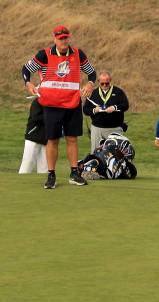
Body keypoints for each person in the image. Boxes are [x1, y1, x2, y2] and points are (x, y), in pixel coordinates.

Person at [22, 25, 96, 189]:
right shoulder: (45, 54)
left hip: (72, 103)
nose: (64, 41)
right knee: (52, 139)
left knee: (72, 139)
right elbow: (26, 69)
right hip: (51, 104)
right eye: (60, 38)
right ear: (55, 39)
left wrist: (90, 84)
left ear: (69, 38)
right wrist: (28, 84)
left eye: (66, 37)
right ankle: (51, 175)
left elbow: (92, 73)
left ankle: (74, 173)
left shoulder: (78, 53)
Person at [83, 70, 129, 153]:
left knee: (116, 155)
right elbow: (85, 110)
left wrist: (114, 108)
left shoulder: (118, 92)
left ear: (110, 81)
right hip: (97, 129)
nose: (104, 85)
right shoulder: (93, 93)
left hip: (115, 128)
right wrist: (94, 110)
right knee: (96, 154)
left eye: (107, 83)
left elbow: (125, 105)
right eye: (102, 83)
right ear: (98, 82)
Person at [19, 98, 48, 174]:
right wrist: (52, 116)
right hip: (33, 137)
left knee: (44, 169)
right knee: (26, 166)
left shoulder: (54, 104)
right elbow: (36, 117)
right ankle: (21, 183)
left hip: (46, 139)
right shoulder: (37, 101)